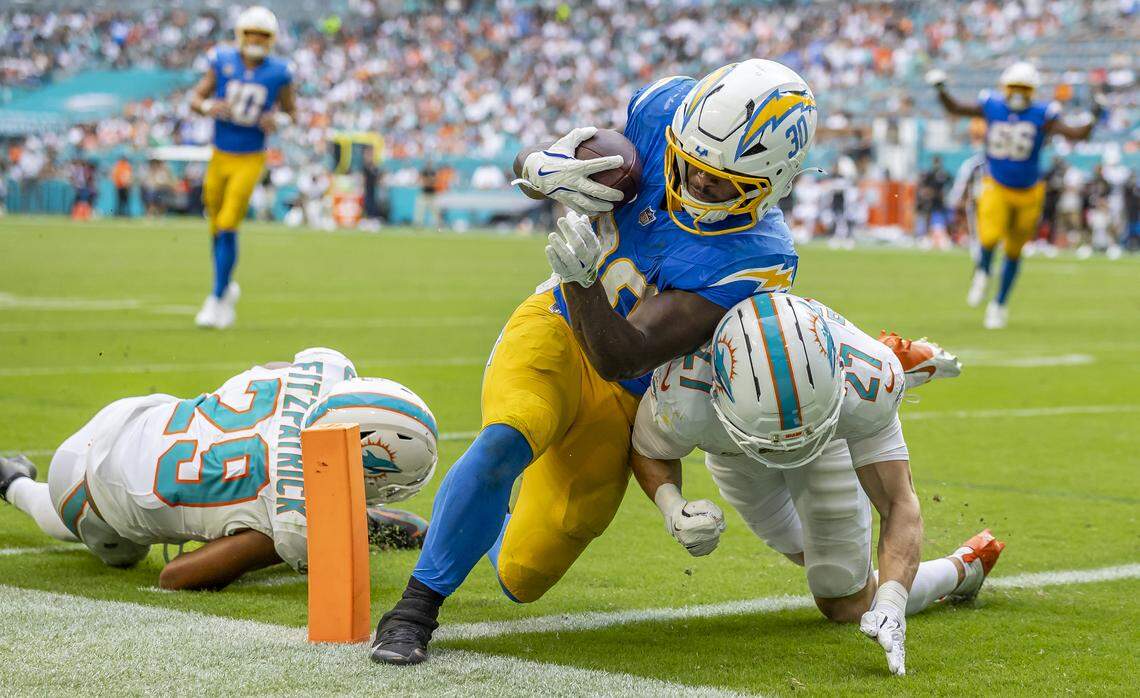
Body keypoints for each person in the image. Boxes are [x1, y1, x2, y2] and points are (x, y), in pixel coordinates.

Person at [373, 59, 818, 665]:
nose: (693, 178)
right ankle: (413, 612)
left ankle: (475, 513)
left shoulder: (757, 257)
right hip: (557, 324)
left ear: (772, 183)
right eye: (689, 160)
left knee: (522, 575)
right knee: (510, 435)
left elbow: (621, 356)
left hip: (623, 386)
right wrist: (540, 167)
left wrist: (584, 280)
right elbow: (556, 169)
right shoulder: (663, 112)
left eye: (719, 180)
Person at [630, 292, 998, 676]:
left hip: (829, 436)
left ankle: (963, 567)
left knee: (843, 598)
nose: (789, 452)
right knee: (811, 556)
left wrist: (891, 603)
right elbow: (648, 450)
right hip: (739, 455)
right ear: (716, 392)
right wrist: (673, 507)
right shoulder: (684, 391)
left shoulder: (868, 381)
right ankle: (891, 360)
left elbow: (898, 504)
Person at [0, 348, 436, 590]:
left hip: (139, 415)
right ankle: (13, 482)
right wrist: (285, 537)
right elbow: (175, 576)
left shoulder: (320, 372)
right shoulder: (293, 524)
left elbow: (266, 371)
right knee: (121, 555)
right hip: (85, 492)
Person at [926, 62, 1103, 329]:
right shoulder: (992, 106)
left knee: (1013, 250)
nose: (1018, 93)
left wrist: (1094, 116)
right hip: (996, 184)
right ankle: (983, 272)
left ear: (1032, 91)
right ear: (1005, 88)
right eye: (1014, 87)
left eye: (1024, 88)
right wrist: (941, 90)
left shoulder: (1043, 114)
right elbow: (955, 108)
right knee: (989, 237)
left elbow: (1077, 133)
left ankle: (998, 304)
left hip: (1030, 191)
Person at [188, 6, 297, 330]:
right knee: (215, 224)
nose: (255, 40)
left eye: (262, 35)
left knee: (228, 222)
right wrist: (209, 106)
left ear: (271, 39)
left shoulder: (279, 72)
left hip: (250, 156)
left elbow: (292, 113)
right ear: (240, 34)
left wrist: (278, 120)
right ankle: (225, 288)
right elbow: (196, 98)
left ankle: (216, 296)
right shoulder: (222, 60)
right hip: (220, 153)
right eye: (251, 33)